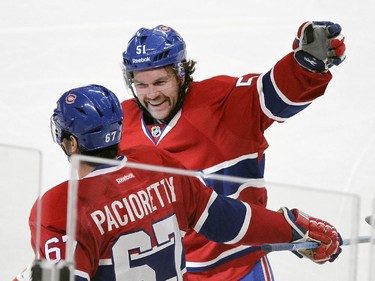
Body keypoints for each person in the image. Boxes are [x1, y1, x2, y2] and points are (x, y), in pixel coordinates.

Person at [14, 85, 342, 281]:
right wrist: (293, 228)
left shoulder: (59, 207)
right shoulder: (157, 166)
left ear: (70, 143)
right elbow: (226, 219)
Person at [119, 21, 346, 280]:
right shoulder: (120, 124)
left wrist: (305, 65)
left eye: (160, 81)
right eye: (141, 85)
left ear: (181, 74)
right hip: (164, 272)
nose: (152, 95)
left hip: (237, 270)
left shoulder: (224, 102)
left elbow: (274, 93)